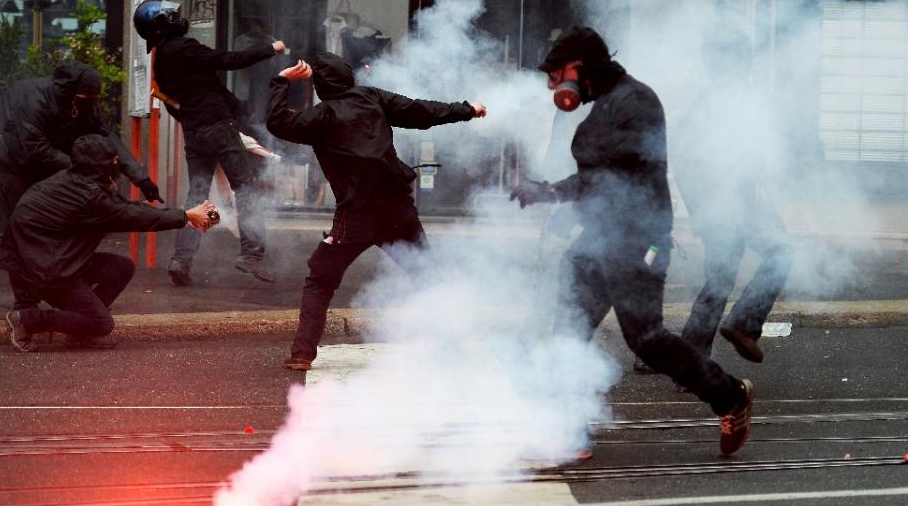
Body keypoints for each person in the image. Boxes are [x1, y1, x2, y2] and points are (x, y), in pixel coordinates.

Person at [509, 26, 754, 455]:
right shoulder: (608, 102)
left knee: (647, 340)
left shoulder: (633, 101)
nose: (552, 84)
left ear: (580, 66)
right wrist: (553, 194)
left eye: (556, 72)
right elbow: (598, 178)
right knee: (568, 328)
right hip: (600, 236)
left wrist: (554, 193)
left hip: (640, 240)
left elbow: (603, 174)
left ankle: (731, 396)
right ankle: (570, 431)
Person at [265, 53, 486, 370]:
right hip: (398, 210)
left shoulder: (321, 116)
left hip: (355, 216)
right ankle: (449, 347)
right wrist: (467, 110)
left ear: (322, 85)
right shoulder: (372, 98)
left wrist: (282, 80)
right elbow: (421, 111)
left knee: (320, 280)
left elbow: (278, 122)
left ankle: (302, 354)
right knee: (427, 276)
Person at [0, 134, 213, 352]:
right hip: (44, 271)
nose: (117, 165)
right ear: (101, 165)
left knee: (120, 267)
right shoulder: (90, 195)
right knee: (102, 323)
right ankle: (26, 320)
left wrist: (183, 215)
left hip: (39, 261)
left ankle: (79, 333)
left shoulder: (73, 179)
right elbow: (129, 215)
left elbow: (122, 209)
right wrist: (186, 216)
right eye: (113, 161)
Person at [133, 0, 285, 287]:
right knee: (245, 186)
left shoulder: (161, 60)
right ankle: (251, 254)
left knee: (199, 196)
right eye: (171, 14)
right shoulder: (183, 48)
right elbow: (227, 60)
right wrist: (271, 49)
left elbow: (175, 104)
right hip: (217, 126)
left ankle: (181, 259)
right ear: (162, 23)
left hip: (195, 131)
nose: (177, 16)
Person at [673, 33, 793, 364]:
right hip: (734, 203)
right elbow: (693, 159)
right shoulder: (723, 101)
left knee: (720, 280)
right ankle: (743, 324)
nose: (750, 65)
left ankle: (688, 362)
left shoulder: (718, 100)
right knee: (781, 253)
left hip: (722, 205)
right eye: (745, 59)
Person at [0, 60, 161, 218]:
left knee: (52, 222)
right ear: (69, 92)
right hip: (12, 160)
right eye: (86, 100)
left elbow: (108, 138)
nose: (91, 106)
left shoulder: (84, 104)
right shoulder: (34, 101)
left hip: (45, 158)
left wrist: (141, 179)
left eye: (95, 100)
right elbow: (37, 151)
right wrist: (84, 168)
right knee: (22, 221)